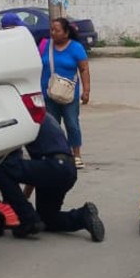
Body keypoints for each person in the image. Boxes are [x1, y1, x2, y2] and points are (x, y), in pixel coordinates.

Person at [0, 118, 105, 242]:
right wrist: (22, 199)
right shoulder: (45, 118)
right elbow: (33, 173)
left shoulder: (24, 116)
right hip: (66, 169)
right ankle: (83, 216)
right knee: (47, 218)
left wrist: (20, 208)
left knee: (1, 168)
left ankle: (28, 220)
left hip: (52, 166)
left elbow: (12, 159)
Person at [39, 17, 91, 168]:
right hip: (48, 93)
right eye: (51, 30)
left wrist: (86, 90)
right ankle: (57, 154)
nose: (53, 33)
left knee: (72, 124)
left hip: (69, 95)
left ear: (66, 32)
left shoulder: (76, 48)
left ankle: (76, 155)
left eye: (57, 30)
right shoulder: (44, 45)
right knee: (53, 126)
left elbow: (84, 69)